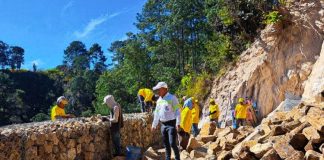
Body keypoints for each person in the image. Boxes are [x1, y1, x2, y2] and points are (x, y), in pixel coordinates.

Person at [151, 82, 180, 160]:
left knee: (172, 143)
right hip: (163, 125)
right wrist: (154, 125)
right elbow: (156, 113)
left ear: (164, 89)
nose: (157, 91)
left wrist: (178, 123)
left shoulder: (172, 98)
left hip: (171, 124)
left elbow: (177, 110)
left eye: (158, 89)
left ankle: (177, 158)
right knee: (166, 145)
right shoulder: (159, 101)